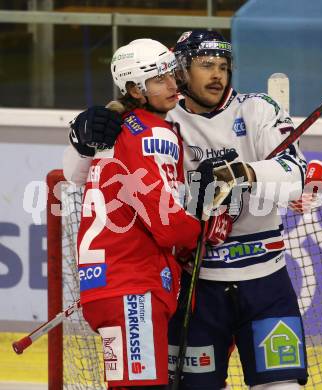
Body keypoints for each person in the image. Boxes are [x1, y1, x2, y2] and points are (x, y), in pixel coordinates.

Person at [64, 31, 308, 390]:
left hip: (264, 279)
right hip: (198, 286)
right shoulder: (158, 114)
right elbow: (75, 174)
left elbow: (296, 173)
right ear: (179, 70)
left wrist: (242, 173)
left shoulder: (258, 108)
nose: (217, 75)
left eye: (223, 66)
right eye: (205, 65)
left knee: (283, 386)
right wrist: (80, 140)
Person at [70, 38, 233, 390]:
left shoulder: (119, 128)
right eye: (160, 79)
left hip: (106, 287)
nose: (174, 85)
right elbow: (169, 226)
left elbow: (78, 177)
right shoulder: (152, 133)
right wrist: (206, 225)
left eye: (172, 74)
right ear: (135, 89)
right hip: (133, 289)